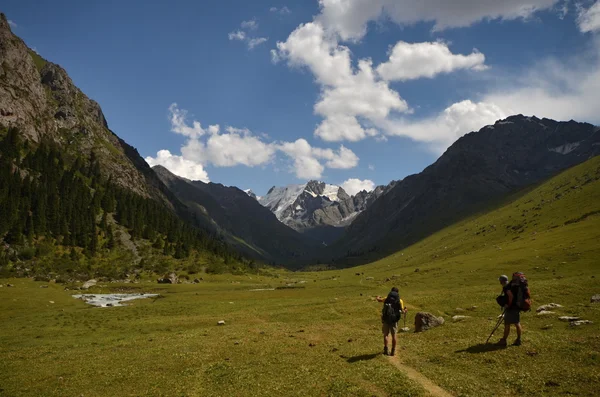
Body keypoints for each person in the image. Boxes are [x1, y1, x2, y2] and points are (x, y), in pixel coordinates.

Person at [496, 273, 526, 347]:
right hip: (517, 306)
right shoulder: (511, 285)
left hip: (511, 308)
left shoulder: (507, 287)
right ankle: (518, 339)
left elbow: (510, 296)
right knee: (517, 323)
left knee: (507, 324)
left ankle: (504, 340)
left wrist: (508, 305)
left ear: (501, 281)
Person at [376, 287, 407, 356]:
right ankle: (393, 351)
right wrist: (405, 310)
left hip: (386, 319)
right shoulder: (400, 300)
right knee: (394, 336)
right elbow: (402, 311)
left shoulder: (387, 298)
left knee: (385, 335)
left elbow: (379, 300)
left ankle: (386, 349)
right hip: (394, 320)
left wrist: (377, 297)